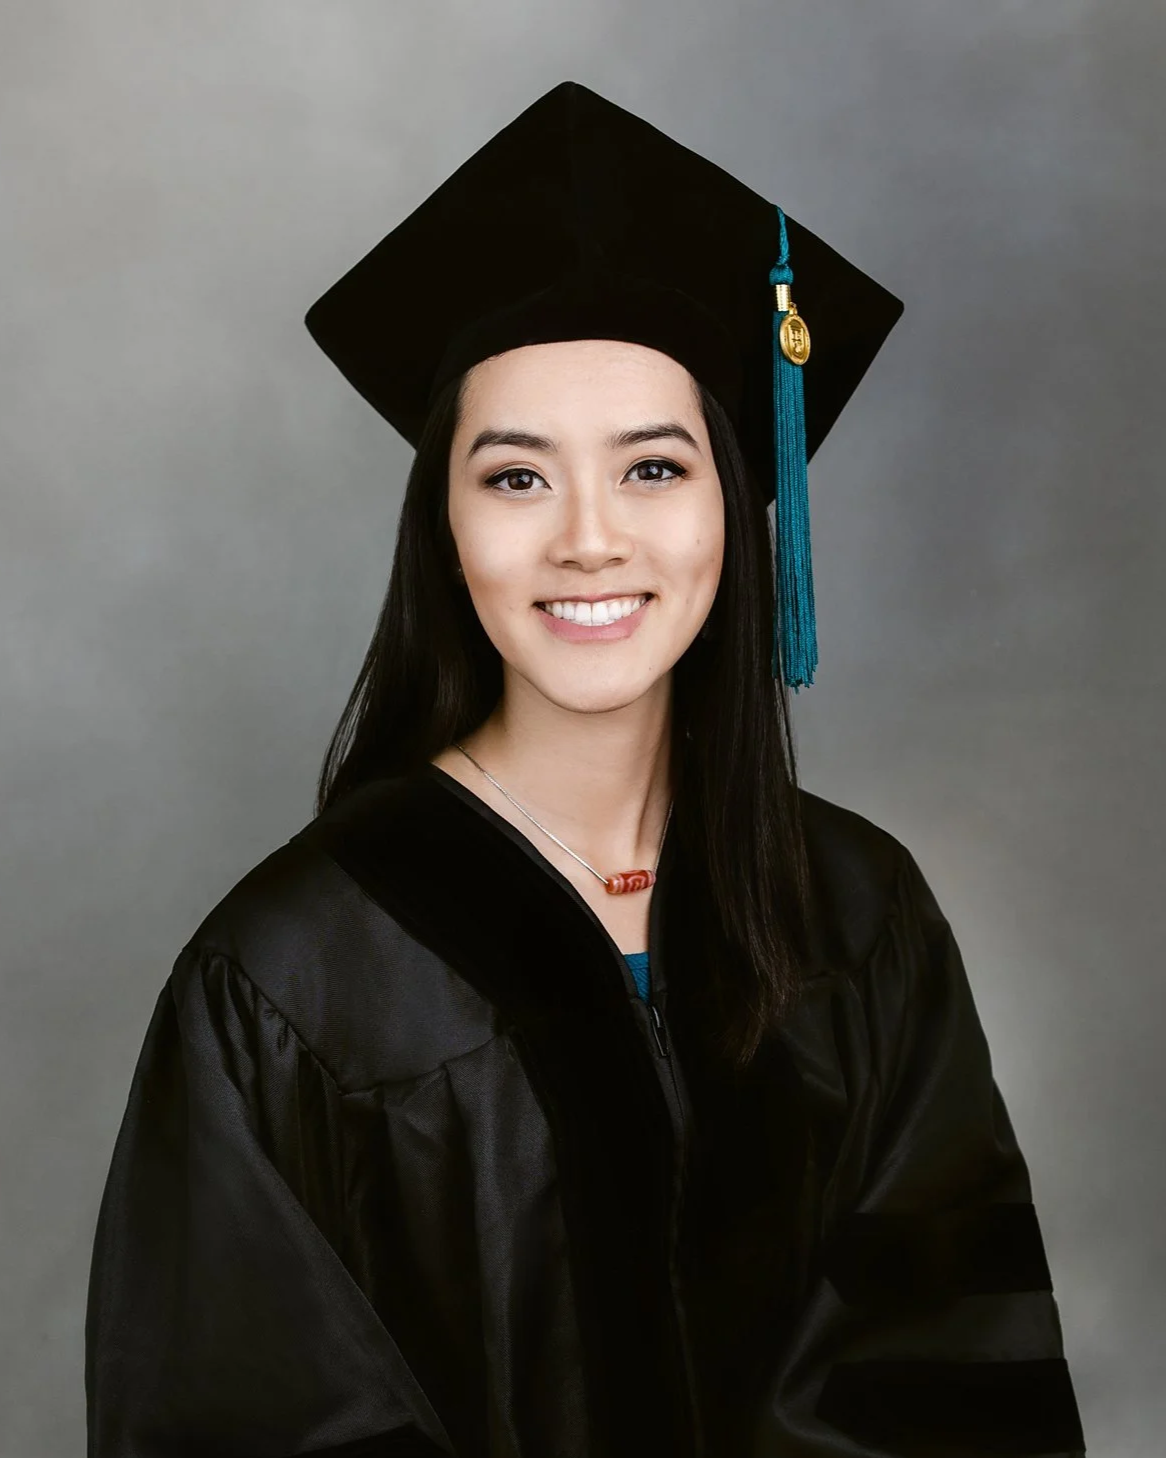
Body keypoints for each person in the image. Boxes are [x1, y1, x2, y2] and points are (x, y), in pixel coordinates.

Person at [84, 81, 1085, 1458]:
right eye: (515, 477)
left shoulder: (857, 915)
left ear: (735, 507)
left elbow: (954, 1394)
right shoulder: (289, 977)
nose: (590, 540)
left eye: (655, 468)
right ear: (442, 522)